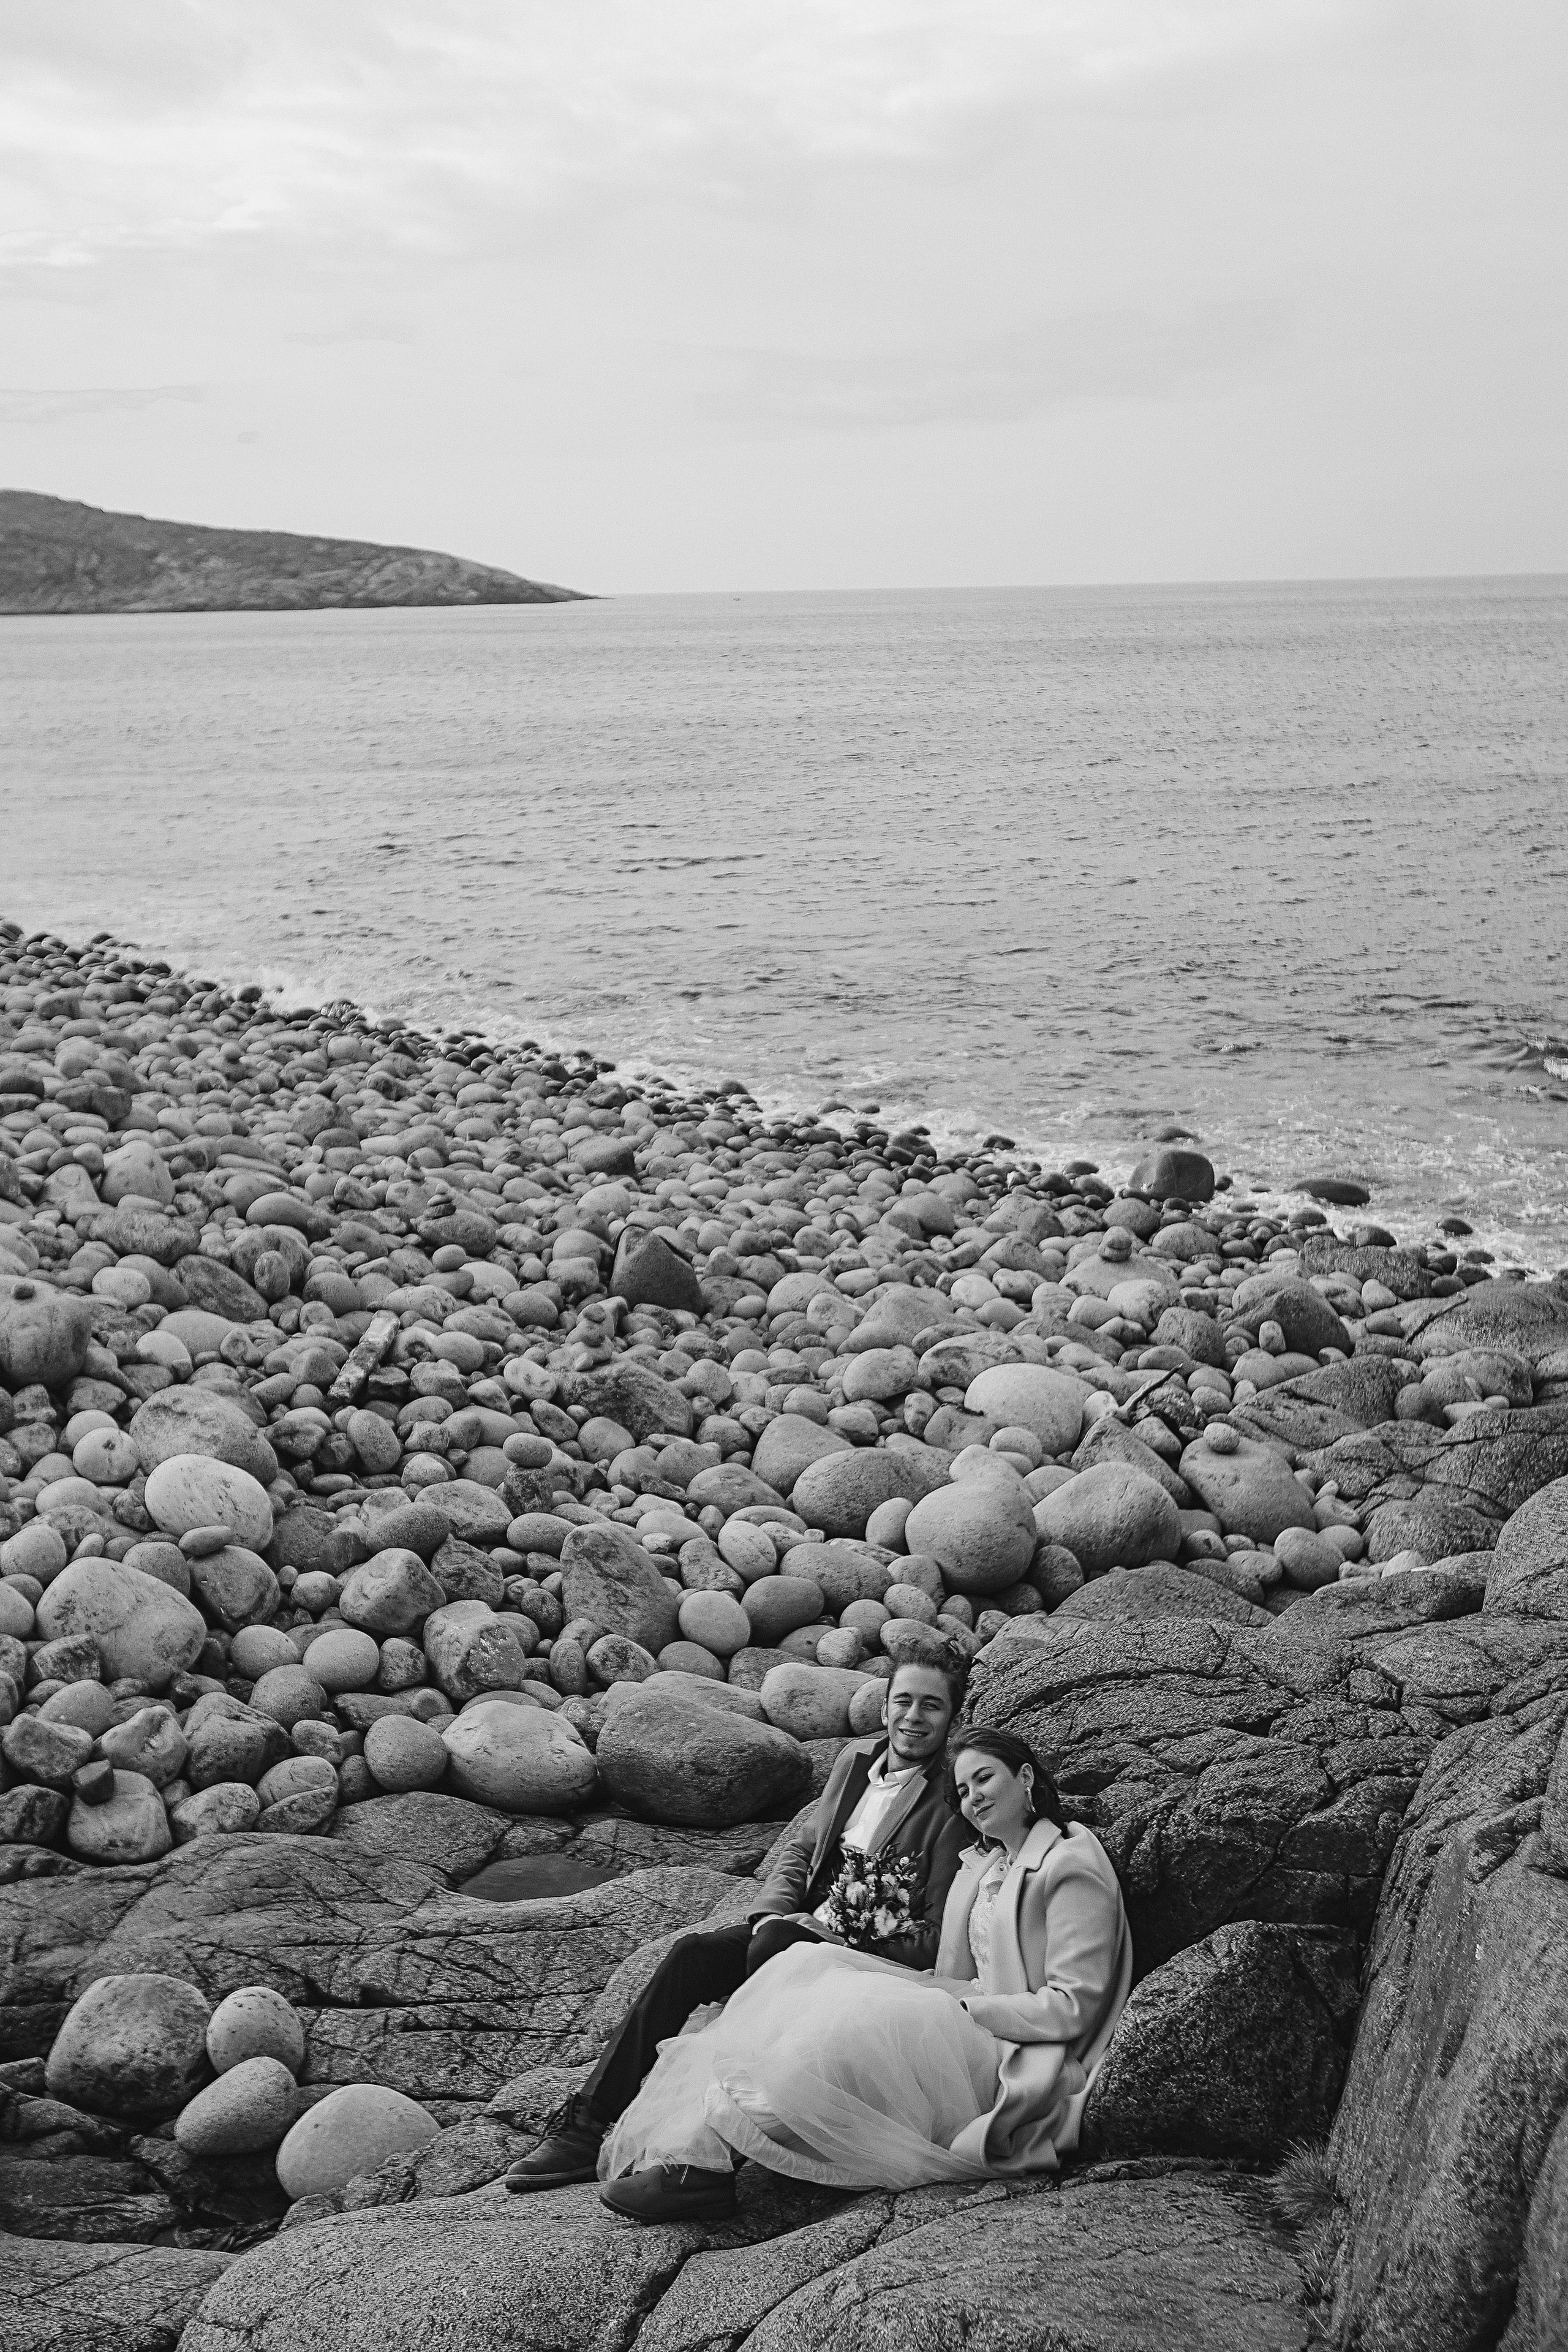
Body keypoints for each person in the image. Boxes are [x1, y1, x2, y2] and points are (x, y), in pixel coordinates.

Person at [597, 1724, 1131, 2217]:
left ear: (1026, 1777)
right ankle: (703, 2155)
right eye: (963, 1791)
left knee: (860, 2021)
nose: (973, 1798)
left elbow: (1073, 2006)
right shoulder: (985, 1864)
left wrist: (965, 2008)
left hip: (1018, 2045)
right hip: (967, 2009)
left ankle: (706, 2163)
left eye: (984, 1778)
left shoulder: (1069, 1864)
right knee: (812, 1965)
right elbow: (952, 1968)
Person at [504, 1657, 970, 2207]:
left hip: (861, 1955)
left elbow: (931, 1935)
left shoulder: (950, 1801)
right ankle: (585, 2127)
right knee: (692, 1954)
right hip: (795, 1928)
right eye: (904, 1701)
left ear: (952, 1718)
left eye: (932, 1706)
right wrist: (772, 1912)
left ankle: (707, 2160)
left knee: (770, 1956)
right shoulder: (855, 1759)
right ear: (886, 1704)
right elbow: (800, 1851)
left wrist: (831, 1939)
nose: (914, 1717)